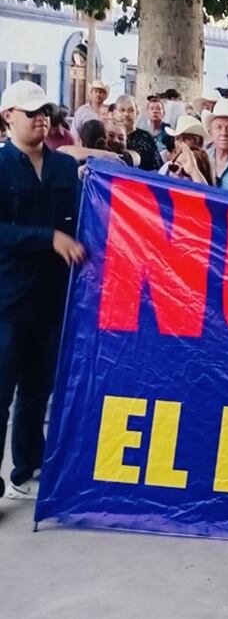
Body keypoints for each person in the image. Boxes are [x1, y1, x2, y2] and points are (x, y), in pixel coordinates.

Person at [0, 81, 86, 499]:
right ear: (7, 116)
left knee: (37, 391)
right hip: (8, 300)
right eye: (31, 111)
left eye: (45, 111)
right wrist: (47, 238)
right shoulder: (1, 168)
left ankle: (27, 471)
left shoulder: (64, 169)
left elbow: (88, 216)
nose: (41, 118)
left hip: (54, 300)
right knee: (2, 393)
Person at [112, 95, 162, 171]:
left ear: (137, 113)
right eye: (122, 110)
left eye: (131, 110)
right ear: (115, 113)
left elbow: (157, 168)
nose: (126, 114)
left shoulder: (146, 137)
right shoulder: (109, 137)